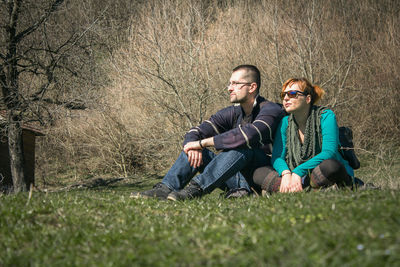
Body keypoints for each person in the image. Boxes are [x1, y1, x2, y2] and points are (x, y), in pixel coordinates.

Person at [131, 65, 285, 200]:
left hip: (260, 174)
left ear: (252, 87)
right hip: (234, 174)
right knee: (191, 149)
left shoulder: (270, 110)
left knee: (242, 145)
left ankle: (196, 189)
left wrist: (202, 143)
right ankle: (165, 188)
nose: (229, 88)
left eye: (235, 84)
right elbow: (196, 132)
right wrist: (193, 146)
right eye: (229, 83)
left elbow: (248, 135)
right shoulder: (233, 113)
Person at [252, 77, 355, 194]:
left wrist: (298, 171)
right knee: (258, 173)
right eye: (283, 95)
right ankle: (301, 188)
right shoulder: (285, 122)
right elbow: (277, 156)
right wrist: (285, 173)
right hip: (296, 175)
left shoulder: (325, 116)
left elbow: (329, 152)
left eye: (292, 94)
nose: (285, 98)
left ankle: (291, 189)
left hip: (319, 170)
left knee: (331, 166)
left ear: (308, 99)